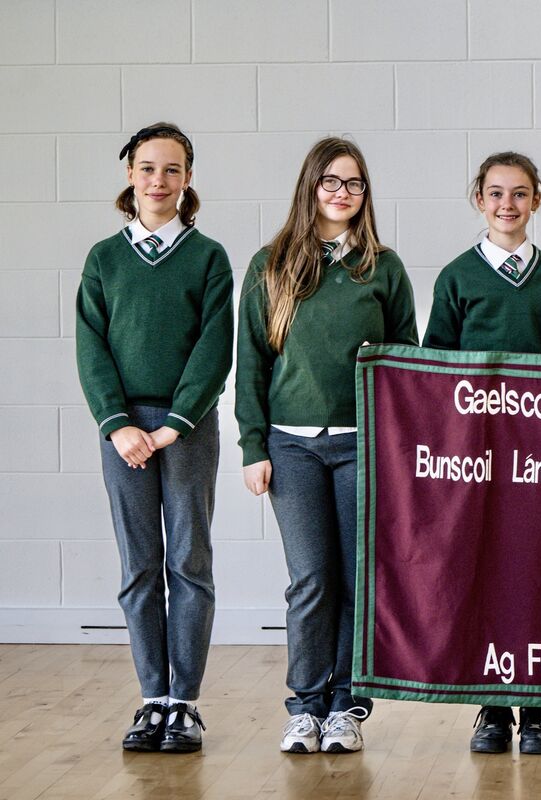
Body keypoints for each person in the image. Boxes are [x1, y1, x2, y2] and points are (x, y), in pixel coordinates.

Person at [236, 137, 417, 755]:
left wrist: (398, 447)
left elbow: (406, 363)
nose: (343, 193)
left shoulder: (383, 268)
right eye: (331, 181)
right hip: (292, 447)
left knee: (355, 579)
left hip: (363, 445)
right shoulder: (271, 265)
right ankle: (306, 705)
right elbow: (251, 364)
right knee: (310, 579)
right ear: (310, 185)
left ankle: (346, 706)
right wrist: (252, 446)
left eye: (355, 183)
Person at [76, 122, 233, 753]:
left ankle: (184, 703)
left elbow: (214, 346)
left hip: (186, 428)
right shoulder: (104, 259)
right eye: (148, 168)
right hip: (124, 435)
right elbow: (92, 347)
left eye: (172, 169)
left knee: (188, 562)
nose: (159, 180)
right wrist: (117, 425)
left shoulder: (208, 257)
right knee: (138, 565)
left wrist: (175, 422)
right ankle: (152, 699)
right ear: (130, 175)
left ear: (188, 178)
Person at [422, 151, 541, 755]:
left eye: (519, 193)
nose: (507, 204)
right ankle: (491, 705)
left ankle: (537, 708)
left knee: (538, 570)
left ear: (537, 199)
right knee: (486, 569)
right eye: (496, 193)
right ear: (479, 200)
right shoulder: (457, 276)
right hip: (478, 452)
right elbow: (435, 367)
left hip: (540, 452)